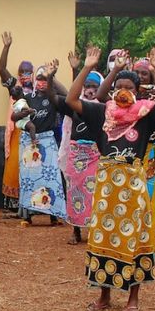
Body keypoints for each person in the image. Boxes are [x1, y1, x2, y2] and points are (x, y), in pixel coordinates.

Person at [65, 44, 155, 311]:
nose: (124, 92)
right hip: (107, 186)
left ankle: (133, 299)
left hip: (133, 183)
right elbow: (72, 100)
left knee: (135, 239)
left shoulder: (145, 113)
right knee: (104, 238)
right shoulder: (102, 113)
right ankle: (104, 296)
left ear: (138, 91)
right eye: (119, 87)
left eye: (130, 87)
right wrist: (86, 67)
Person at [10, 61, 67, 226]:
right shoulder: (27, 98)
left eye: (45, 79)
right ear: (35, 81)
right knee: (29, 179)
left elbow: (67, 93)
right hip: (29, 142)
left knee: (51, 178)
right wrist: (23, 114)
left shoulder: (53, 99)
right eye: (39, 79)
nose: (41, 82)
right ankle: (27, 216)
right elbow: (14, 118)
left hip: (48, 141)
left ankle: (53, 216)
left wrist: (52, 77)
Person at [51, 63, 102, 245]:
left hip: (95, 155)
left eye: (94, 87)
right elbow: (61, 96)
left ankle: (94, 230)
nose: (90, 91)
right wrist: (51, 78)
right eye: (87, 87)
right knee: (74, 191)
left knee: (95, 193)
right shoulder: (75, 107)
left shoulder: (104, 109)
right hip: (75, 155)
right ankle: (75, 230)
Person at [0, 31, 34, 215]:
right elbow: (2, 70)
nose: (25, 75)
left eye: (28, 71)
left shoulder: (39, 89)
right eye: (22, 72)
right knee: (14, 166)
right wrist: (6, 47)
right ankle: (13, 205)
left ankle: (30, 207)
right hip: (17, 132)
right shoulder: (15, 88)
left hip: (34, 133)